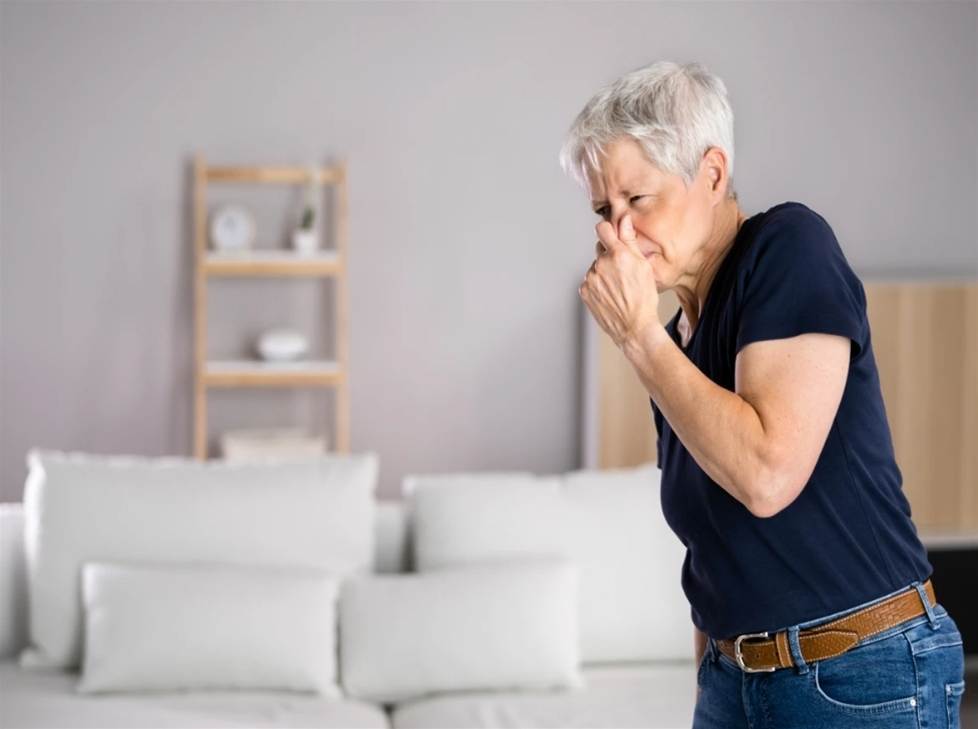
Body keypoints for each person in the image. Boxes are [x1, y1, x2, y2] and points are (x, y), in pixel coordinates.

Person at [559, 60, 967, 728]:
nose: (618, 234)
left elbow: (767, 474)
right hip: (734, 680)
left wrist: (637, 337)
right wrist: (711, 686)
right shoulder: (674, 342)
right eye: (604, 210)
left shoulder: (788, 247)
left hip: (860, 670)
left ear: (712, 175)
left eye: (638, 200)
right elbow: (714, 548)